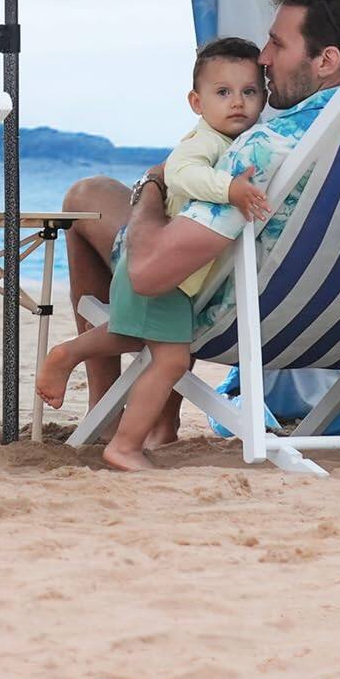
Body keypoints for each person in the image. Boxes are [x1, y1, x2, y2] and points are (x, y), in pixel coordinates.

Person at [57, 0, 340, 462]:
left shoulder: (269, 146)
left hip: (241, 318)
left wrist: (155, 182)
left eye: (278, 44)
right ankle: (159, 418)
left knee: (87, 195)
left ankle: (107, 416)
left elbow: (150, 273)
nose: (263, 57)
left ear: (325, 60)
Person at [36, 38, 272, 470]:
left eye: (249, 92)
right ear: (196, 102)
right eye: (223, 93)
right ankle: (122, 442)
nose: (237, 102)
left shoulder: (238, 141)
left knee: (134, 336)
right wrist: (231, 189)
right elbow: (182, 174)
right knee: (168, 357)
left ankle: (73, 359)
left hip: (174, 272)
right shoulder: (202, 143)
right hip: (164, 269)